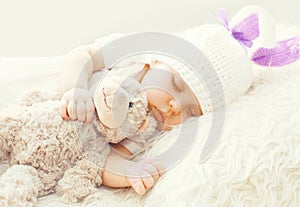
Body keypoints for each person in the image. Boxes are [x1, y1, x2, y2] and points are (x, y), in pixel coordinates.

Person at [58, 6, 300, 196]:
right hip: (51, 112)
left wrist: (130, 173)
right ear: (157, 61)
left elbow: (106, 161)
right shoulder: (132, 57)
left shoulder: (147, 127)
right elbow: (82, 55)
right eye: (176, 84)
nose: (175, 106)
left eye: (191, 110)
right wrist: (75, 89)